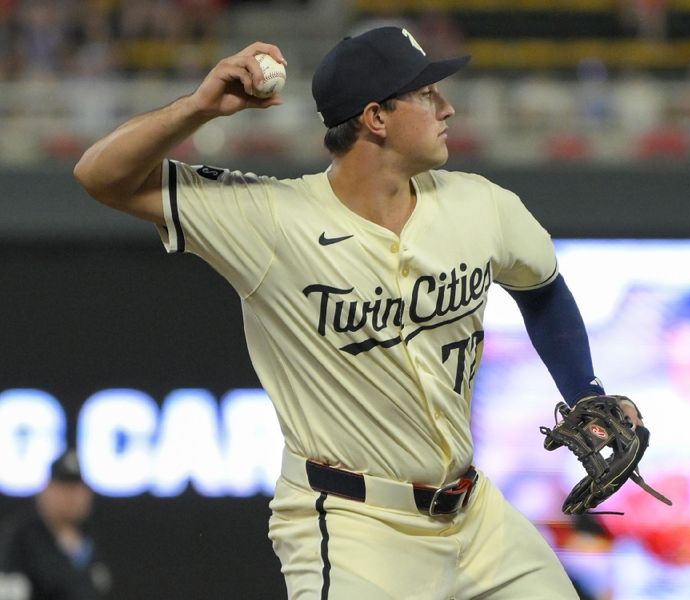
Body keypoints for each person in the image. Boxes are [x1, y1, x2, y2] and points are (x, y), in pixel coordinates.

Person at [73, 26, 643, 599]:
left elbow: (541, 287)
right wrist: (198, 109)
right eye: (425, 94)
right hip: (354, 526)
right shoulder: (272, 219)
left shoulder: (480, 204)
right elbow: (100, 176)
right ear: (376, 117)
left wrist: (584, 388)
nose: (446, 106)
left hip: (475, 517)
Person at [0, 449, 112, 600]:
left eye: (76, 489)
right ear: (46, 491)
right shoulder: (21, 538)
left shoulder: (93, 537)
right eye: (63, 489)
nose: (71, 498)